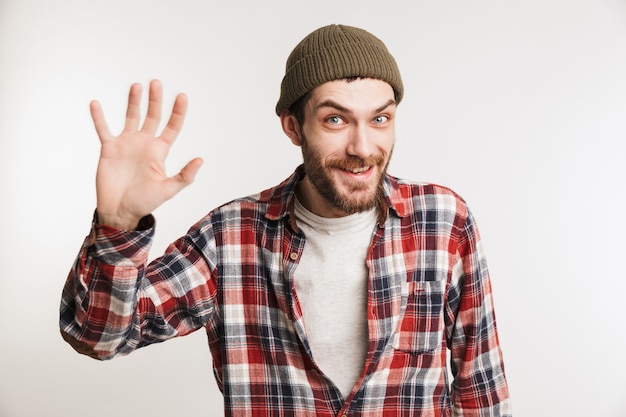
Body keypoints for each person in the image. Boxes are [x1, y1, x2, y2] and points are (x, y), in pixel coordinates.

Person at [60, 24, 512, 416]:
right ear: (293, 127)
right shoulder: (230, 237)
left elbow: (481, 392)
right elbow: (99, 337)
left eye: (380, 118)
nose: (362, 147)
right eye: (335, 119)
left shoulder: (444, 223)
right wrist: (117, 225)